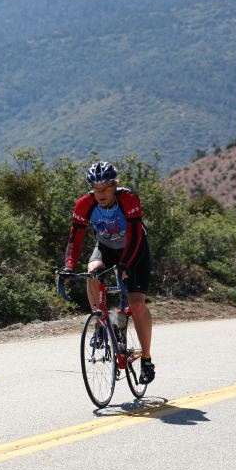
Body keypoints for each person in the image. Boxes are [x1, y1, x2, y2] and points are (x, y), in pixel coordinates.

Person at [62, 161, 155, 384]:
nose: (101, 194)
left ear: (114, 186)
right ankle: (101, 324)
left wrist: (125, 265)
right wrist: (69, 266)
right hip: (106, 248)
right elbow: (75, 239)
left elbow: (134, 236)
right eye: (96, 189)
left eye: (105, 188)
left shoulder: (128, 199)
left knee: (137, 303)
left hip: (134, 250)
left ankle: (146, 359)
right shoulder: (85, 204)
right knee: (92, 271)